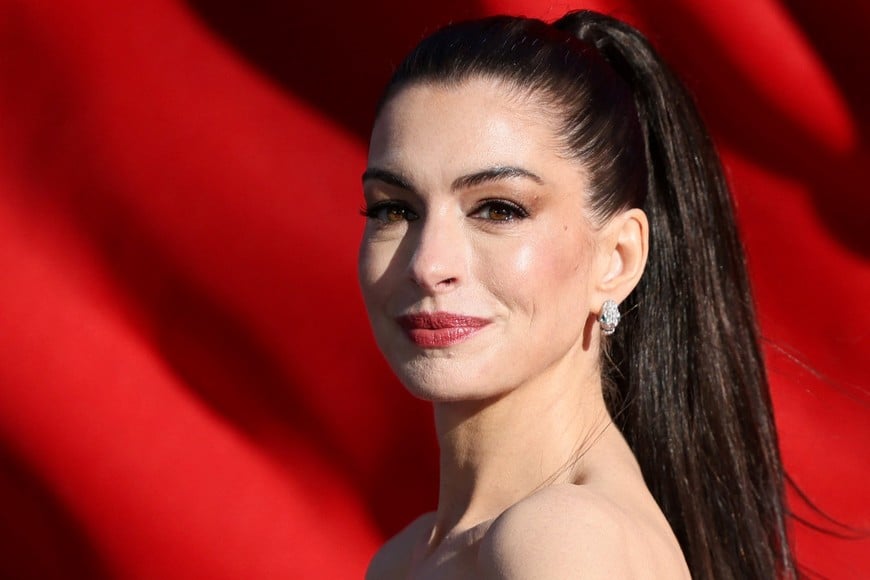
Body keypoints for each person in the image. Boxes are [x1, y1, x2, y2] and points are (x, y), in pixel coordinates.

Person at [358, 10, 795, 579]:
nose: (427, 263)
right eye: (395, 208)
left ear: (617, 260)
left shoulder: (561, 540)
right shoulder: (408, 557)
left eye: (498, 209)